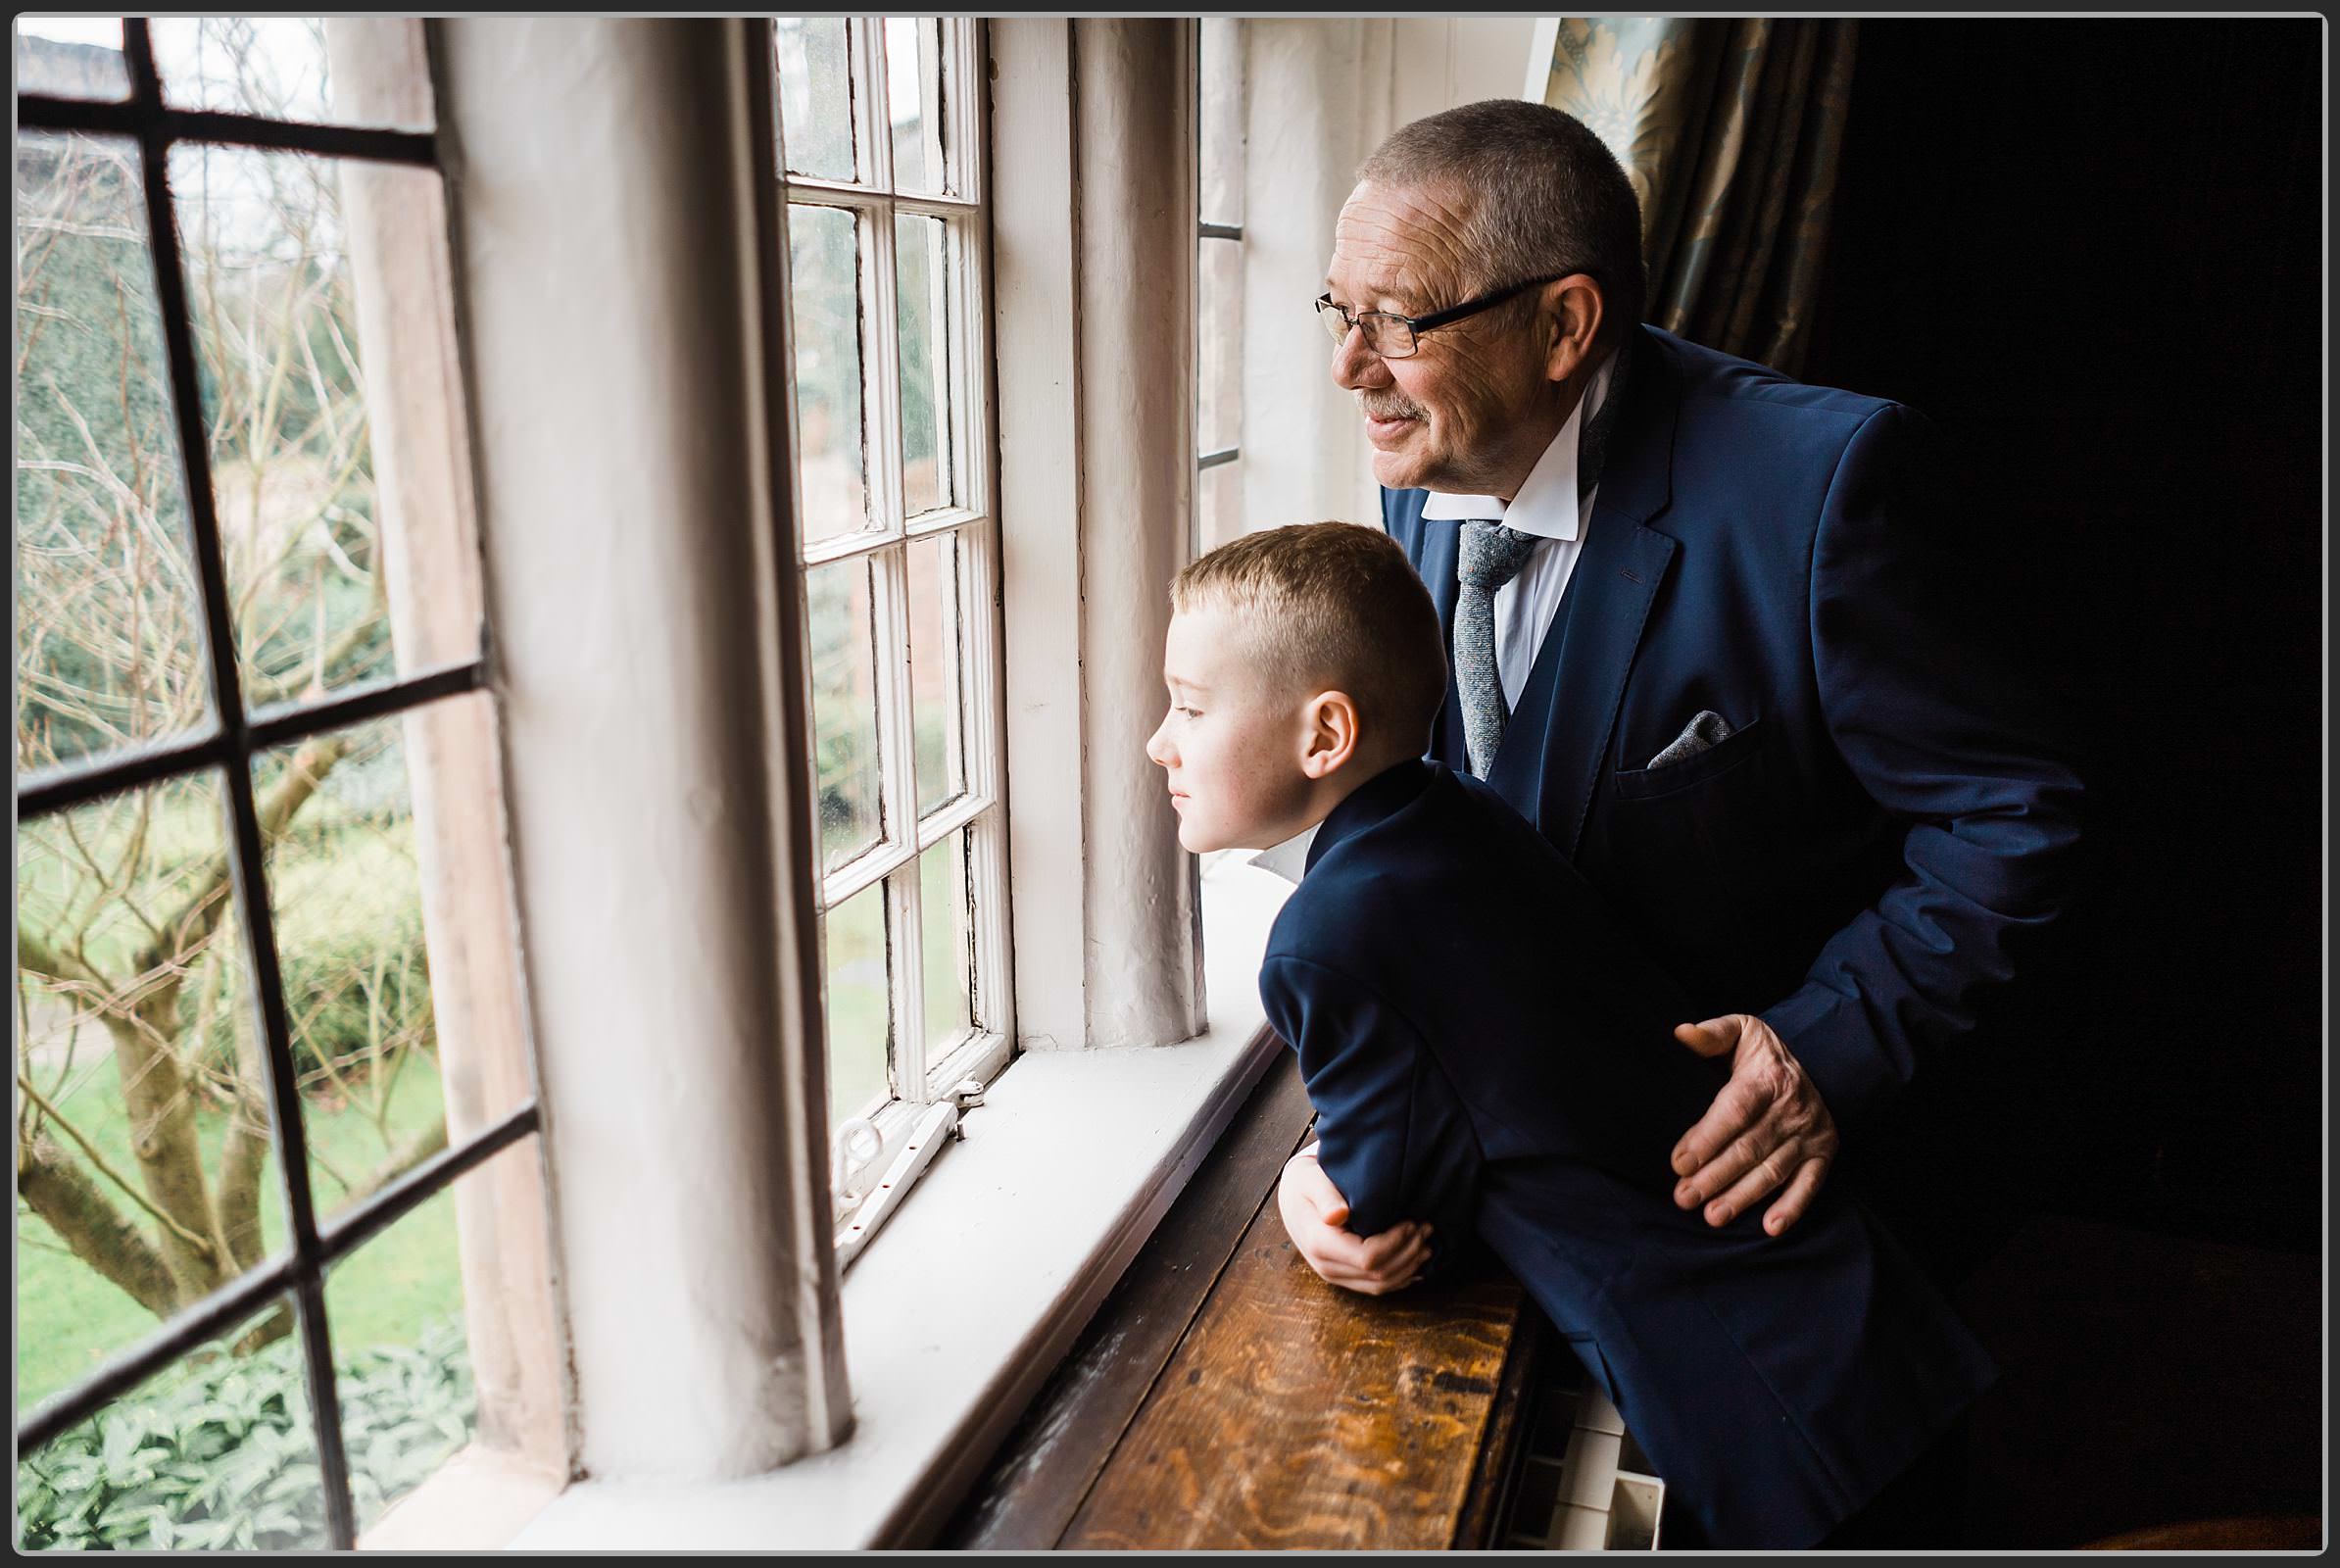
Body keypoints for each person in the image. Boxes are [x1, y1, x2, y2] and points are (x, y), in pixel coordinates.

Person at [1283, 98, 2087, 1306]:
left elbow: (2015, 817)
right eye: (1341, 311)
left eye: (1393, 320)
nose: (1349, 364)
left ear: (1564, 324)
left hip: (1791, 1226)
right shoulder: (1424, 461)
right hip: (1535, 1211)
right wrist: (1343, 1151)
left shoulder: (1824, 488)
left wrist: (1825, 1048)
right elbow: (1430, 838)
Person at [1145, 521, 1994, 1548]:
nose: (1161, 741)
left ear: (1325, 736)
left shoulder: (1323, 939)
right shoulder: (1456, 812)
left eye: (1189, 708)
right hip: (1850, 1306)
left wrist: (1299, 1189)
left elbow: (1386, 1218)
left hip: (1768, 1402)